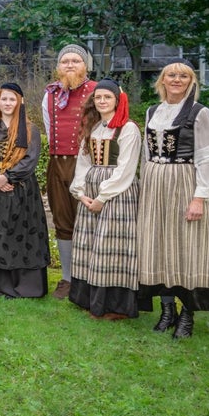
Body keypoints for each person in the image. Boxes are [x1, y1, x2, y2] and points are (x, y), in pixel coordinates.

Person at [137, 62, 209, 338]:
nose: (177, 79)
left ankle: (187, 314)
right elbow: (145, 154)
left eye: (183, 76)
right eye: (171, 75)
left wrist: (199, 197)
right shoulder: (153, 111)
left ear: (191, 81)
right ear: (162, 80)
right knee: (159, 245)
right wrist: (143, 187)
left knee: (186, 247)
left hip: (184, 183)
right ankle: (167, 310)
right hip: (154, 186)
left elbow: (208, 156)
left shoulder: (200, 113)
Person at [68, 78, 141, 319]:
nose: (101, 101)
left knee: (112, 246)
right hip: (91, 191)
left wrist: (103, 196)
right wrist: (80, 192)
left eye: (107, 97)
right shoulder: (95, 127)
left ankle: (115, 304)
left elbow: (125, 169)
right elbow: (83, 161)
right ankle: (90, 298)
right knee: (91, 245)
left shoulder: (128, 128)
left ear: (117, 100)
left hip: (117, 194)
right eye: (98, 97)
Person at [0, 83, 50, 298]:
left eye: (12, 99)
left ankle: (23, 286)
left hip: (21, 189)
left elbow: (30, 159)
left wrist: (7, 177)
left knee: (20, 233)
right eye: (4, 99)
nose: (8, 103)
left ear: (20, 102)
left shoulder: (30, 129)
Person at [43, 44, 97, 299]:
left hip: (87, 164)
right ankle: (67, 278)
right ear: (58, 67)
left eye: (76, 61)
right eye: (65, 61)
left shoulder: (98, 91)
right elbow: (48, 127)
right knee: (62, 221)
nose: (70, 65)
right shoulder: (51, 94)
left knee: (89, 221)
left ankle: (90, 277)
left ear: (85, 65)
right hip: (57, 162)